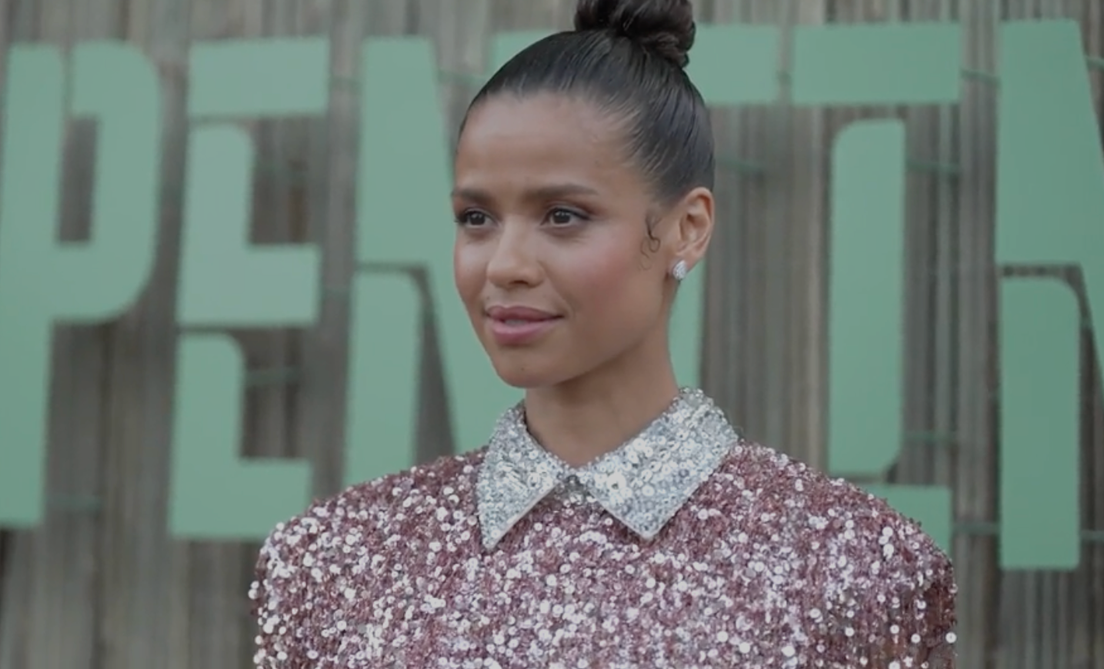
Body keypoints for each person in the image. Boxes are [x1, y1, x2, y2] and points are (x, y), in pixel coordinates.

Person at [250, 0, 958, 665]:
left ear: (688, 227)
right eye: (477, 217)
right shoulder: (331, 563)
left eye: (563, 215)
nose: (505, 265)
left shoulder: (857, 570)